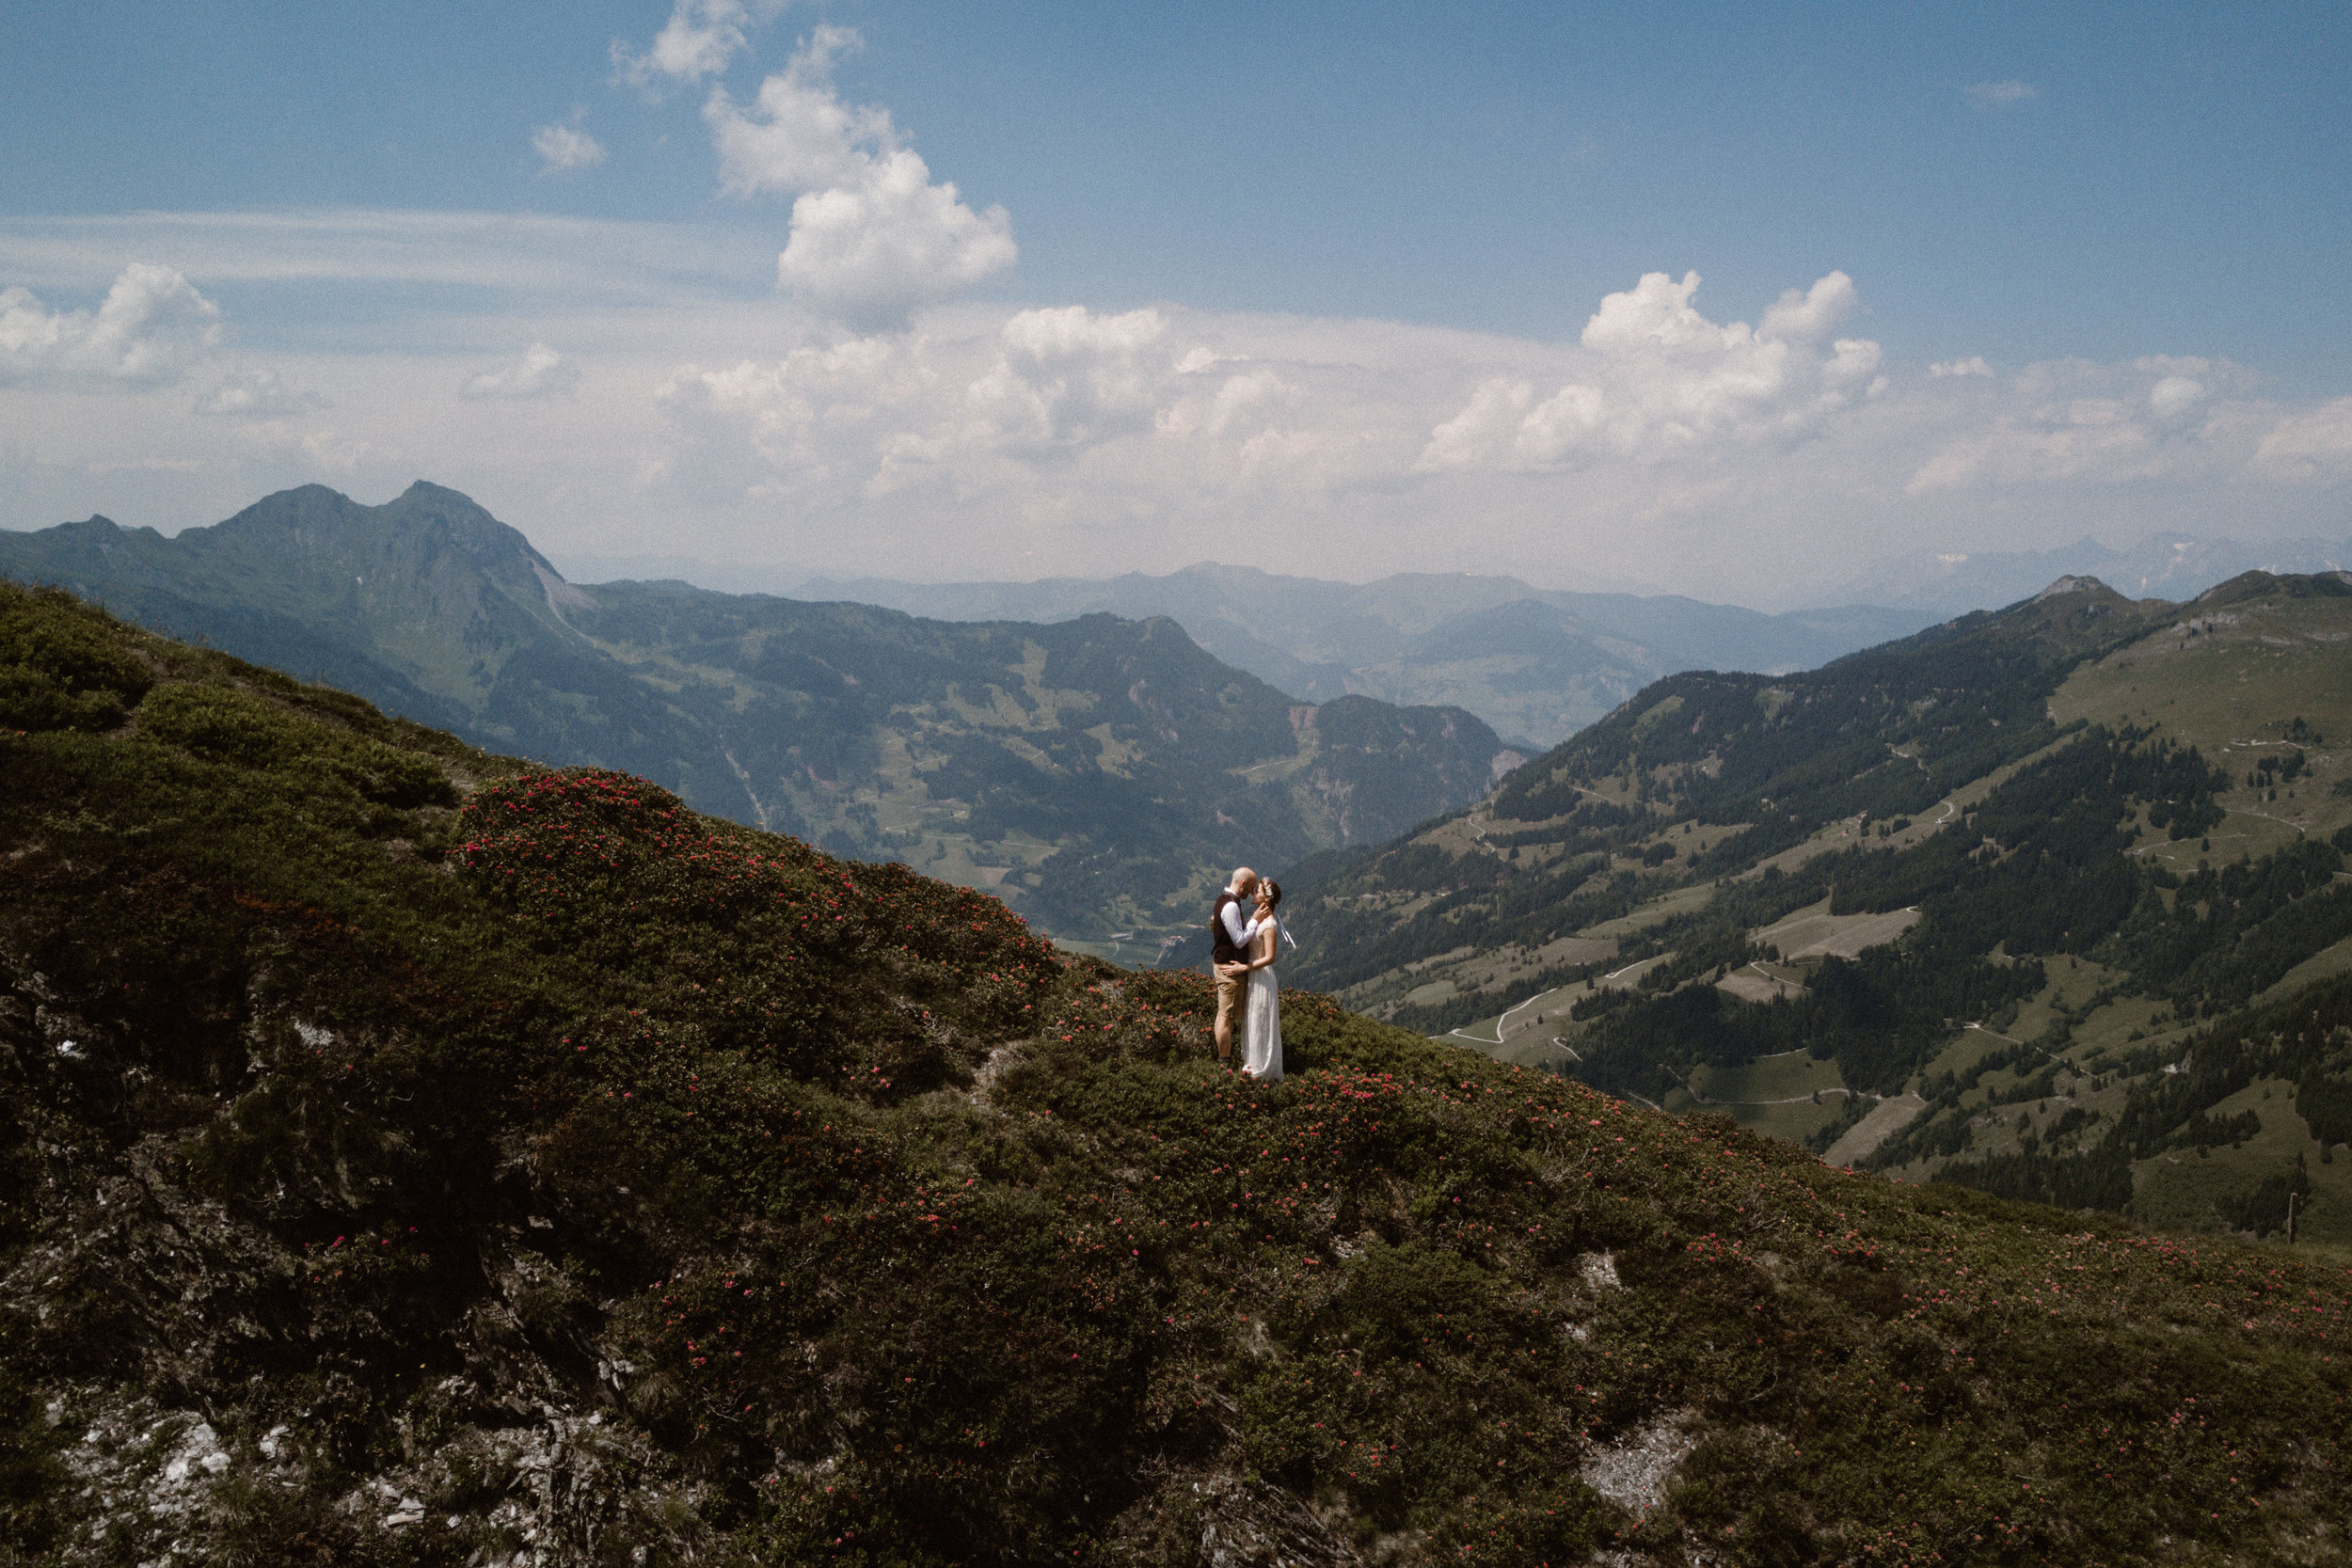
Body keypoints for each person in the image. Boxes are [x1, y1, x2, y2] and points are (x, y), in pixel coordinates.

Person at [1221, 879, 1286, 1084]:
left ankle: (1262, 1068)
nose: (1252, 893)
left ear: (1266, 897)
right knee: (1253, 1019)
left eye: (1256, 891)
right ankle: (1253, 1062)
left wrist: (1245, 967)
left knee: (1261, 1019)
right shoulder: (1259, 919)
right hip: (1254, 976)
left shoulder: (1269, 924)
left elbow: (1270, 957)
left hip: (1262, 977)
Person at [1209, 865, 1259, 1065]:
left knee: (1225, 1015)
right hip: (1229, 969)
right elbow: (1239, 940)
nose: (1253, 893)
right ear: (1243, 884)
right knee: (1226, 1017)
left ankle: (1223, 1055)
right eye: (1251, 887)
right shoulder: (1230, 906)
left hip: (1225, 965)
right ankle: (1224, 1060)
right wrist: (1254, 921)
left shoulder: (1225, 900)